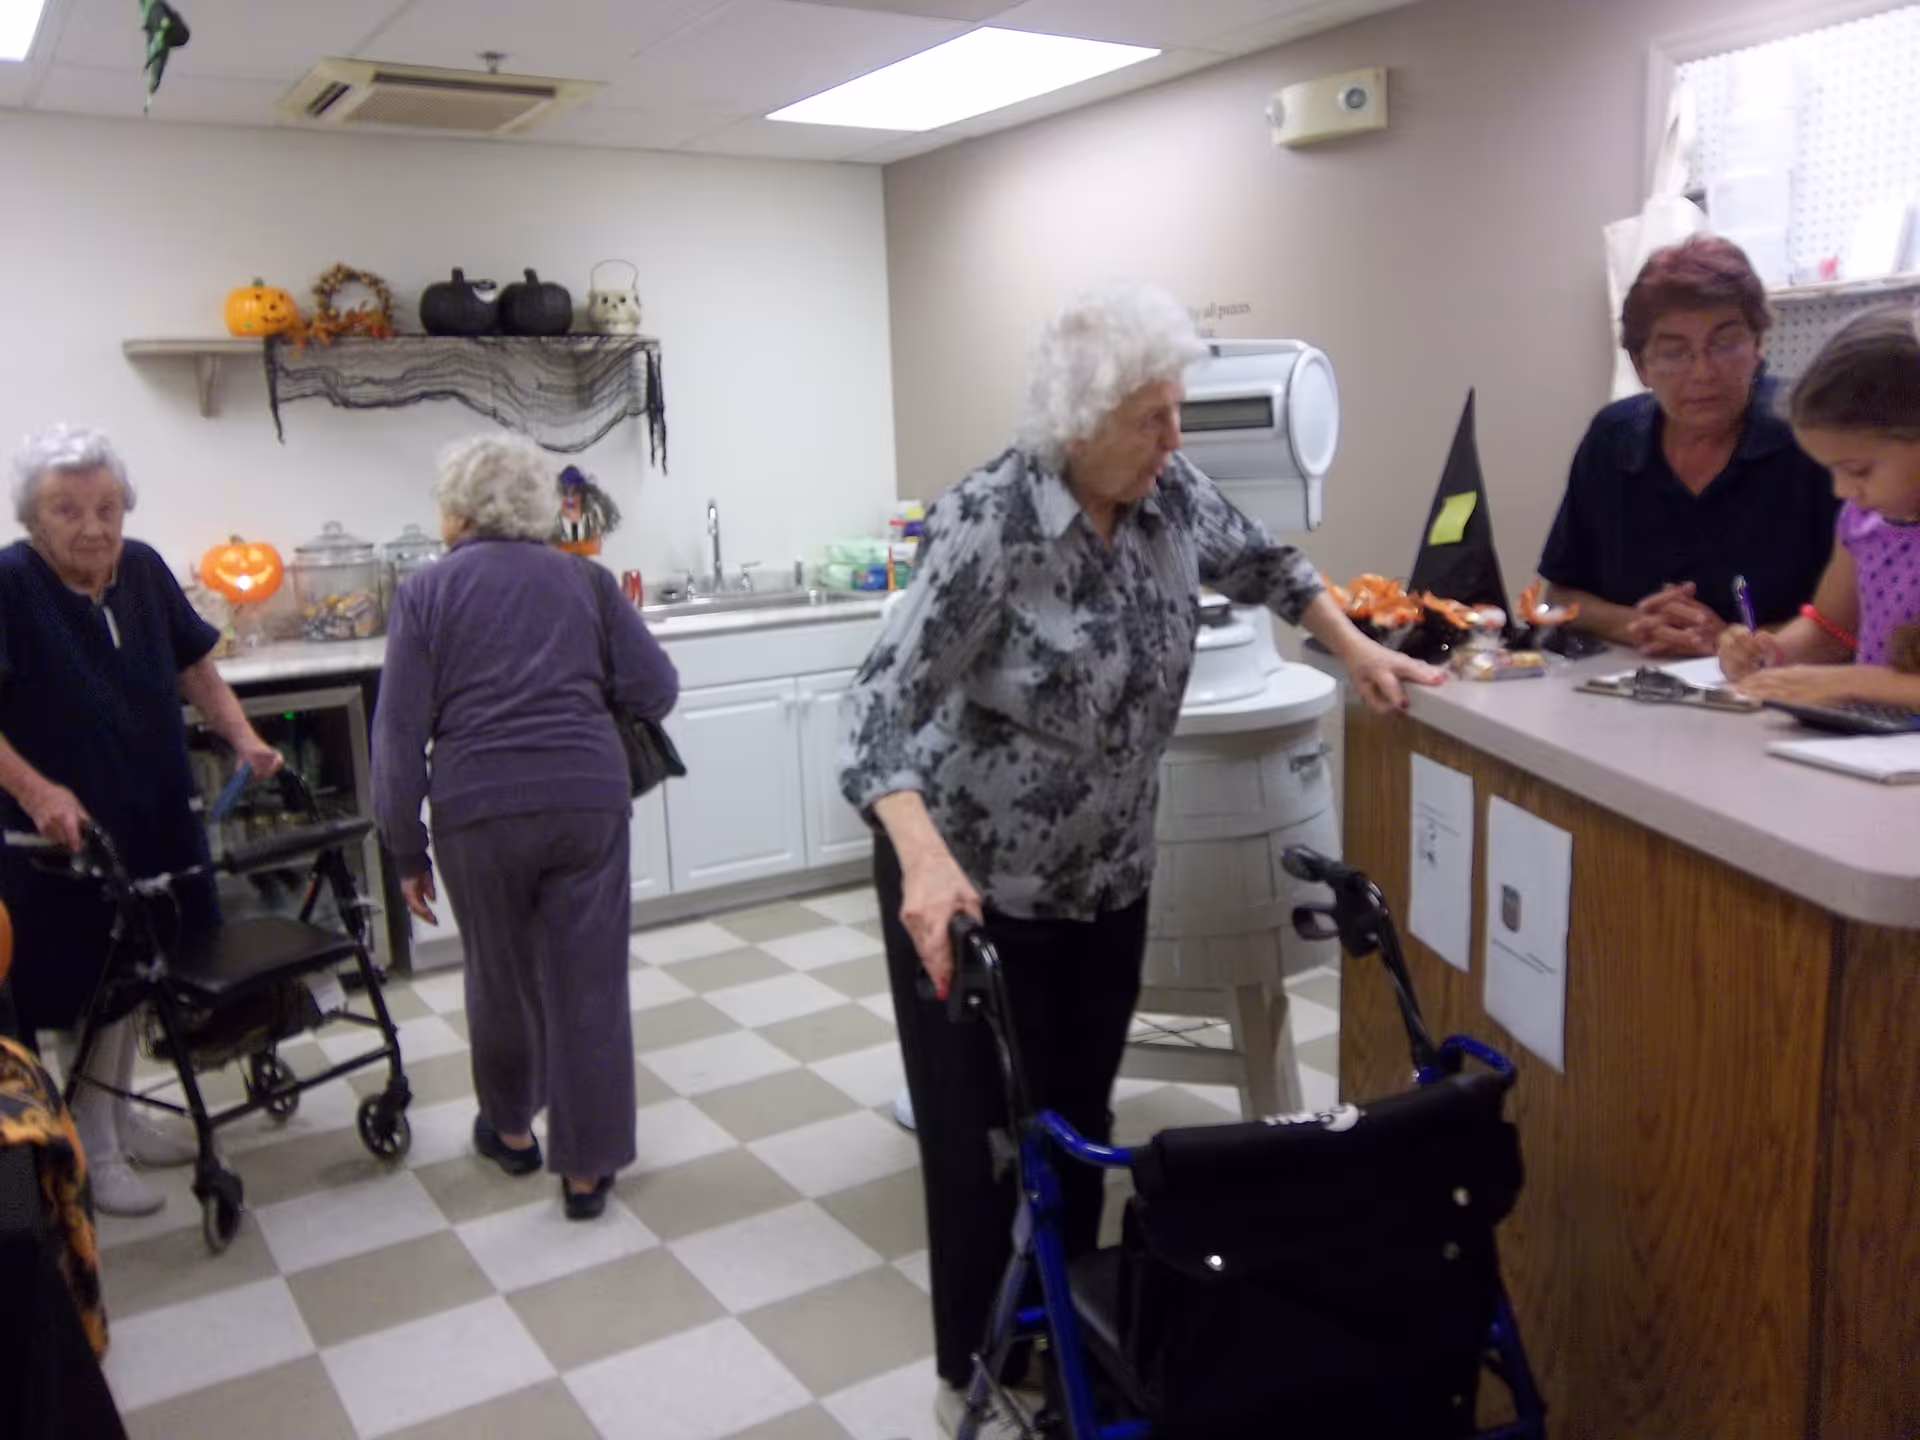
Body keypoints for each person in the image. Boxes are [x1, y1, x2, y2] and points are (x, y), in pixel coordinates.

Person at [838, 278, 1442, 1432]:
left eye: (1179, 412)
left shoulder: (1170, 498)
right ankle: (981, 1361)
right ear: (1077, 423)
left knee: (1078, 1117)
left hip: (1107, 880)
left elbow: (1273, 564)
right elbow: (873, 712)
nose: (1176, 439)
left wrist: (1358, 651)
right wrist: (920, 860)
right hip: (967, 891)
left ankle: (1068, 1340)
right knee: (979, 1144)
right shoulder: (990, 525)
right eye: (1151, 420)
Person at [372, 434, 678, 1220]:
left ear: (456, 510)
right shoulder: (587, 580)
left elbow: (397, 734)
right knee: (591, 984)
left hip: (479, 813)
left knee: (499, 976)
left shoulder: (425, 594)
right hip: (587, 799)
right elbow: (658, 687)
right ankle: (587, 1172)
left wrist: (404, 848)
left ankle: (510, 1131)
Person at [0, 425, 281, 1216]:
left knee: (138, 973)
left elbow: (194, 664)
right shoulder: (11, 583)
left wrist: (242, 735)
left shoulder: (146, 568)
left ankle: (117, 1118)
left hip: (152, 812)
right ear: (34, 516)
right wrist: (36, 792)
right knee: (79, 981)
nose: (92, 526)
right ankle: (88, 1147)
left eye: (106, 507)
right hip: (61, 837)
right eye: (67, 510)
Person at [1540, 235, 1837, 656]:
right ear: (1641, 366)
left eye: (1725, 343)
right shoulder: (1612, 438)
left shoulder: (1815, 437)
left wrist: (1731, 643)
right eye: (1675, 352)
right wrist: (1638, 624)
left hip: (1779, 695)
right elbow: (1560, 594)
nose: (1704, 372)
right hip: (1631, 690)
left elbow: (1859, 617)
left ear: (1758, 345)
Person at [1719, 306, 1920, 706]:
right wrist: (1772, 653)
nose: (1843, 489)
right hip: (1872, 751)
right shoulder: (1865, 522)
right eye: (1832, 470)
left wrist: (1870, 683)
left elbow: (1866, 680)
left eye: (1859, 469)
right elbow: (1832, 630)